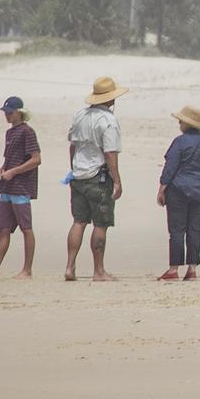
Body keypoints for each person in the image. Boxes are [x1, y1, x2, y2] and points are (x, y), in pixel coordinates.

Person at [65, 77, 126, 282]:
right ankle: (98, 271)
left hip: (79, 174)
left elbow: (72, 146)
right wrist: (117, 180)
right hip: (98, 177)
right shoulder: (108, 121)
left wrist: (73, 167)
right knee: (100, 224)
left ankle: (70, 267)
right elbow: (110, 153)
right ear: (111, 100)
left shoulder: (80, 115)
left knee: (78, 221)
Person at [0, 96, 41, 280]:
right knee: (3, 228)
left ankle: (27, 270)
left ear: (19, 113)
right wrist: (3, 170)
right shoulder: (10, 133)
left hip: (21, 187)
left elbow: (36, 159)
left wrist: (14, 172)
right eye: (5, 112)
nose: (7, 116)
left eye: (10, 113)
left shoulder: (27, 132)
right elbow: (11, 159)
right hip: (7, 186)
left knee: (26, 228)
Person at [156, 105, 200, 281]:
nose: (179, 124)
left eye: (180, 121)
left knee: (177, 230)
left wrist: (162, 188)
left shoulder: (179, 142)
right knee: (194, 230)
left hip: (179, 190)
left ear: (186, 124)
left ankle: (173, 269)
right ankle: (192, 270)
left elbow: (171, 166)